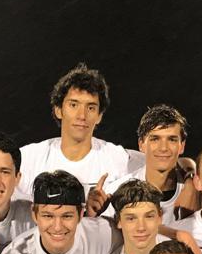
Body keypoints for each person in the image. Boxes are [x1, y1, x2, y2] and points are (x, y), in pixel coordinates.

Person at [17, 63, 141, 200]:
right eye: (73, 105)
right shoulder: (29, 158)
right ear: (58, 110)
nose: (82, 115)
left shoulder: (119, 159)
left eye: (91, 108)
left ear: (99, 116)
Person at [102, 104, 197, 224]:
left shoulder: (197, 190)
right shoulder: (115, 191)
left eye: (172, 139)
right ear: (141, 144)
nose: (163, 148)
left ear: (182, 146)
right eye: (155, 139)